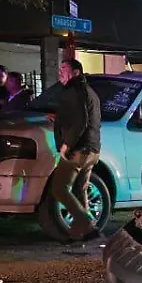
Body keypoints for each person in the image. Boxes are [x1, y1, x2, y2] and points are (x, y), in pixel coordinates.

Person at [49, 58, 101, 242]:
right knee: (80, 189)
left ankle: (86, 222)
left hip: (78, 150)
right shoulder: (89, 92)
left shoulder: (74, 91)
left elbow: (81, 121)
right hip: (92, 150)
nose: (60, 72)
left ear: (76, 72)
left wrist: (67, 144)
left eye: (64, 69)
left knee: (59, 188)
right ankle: (86, 231)